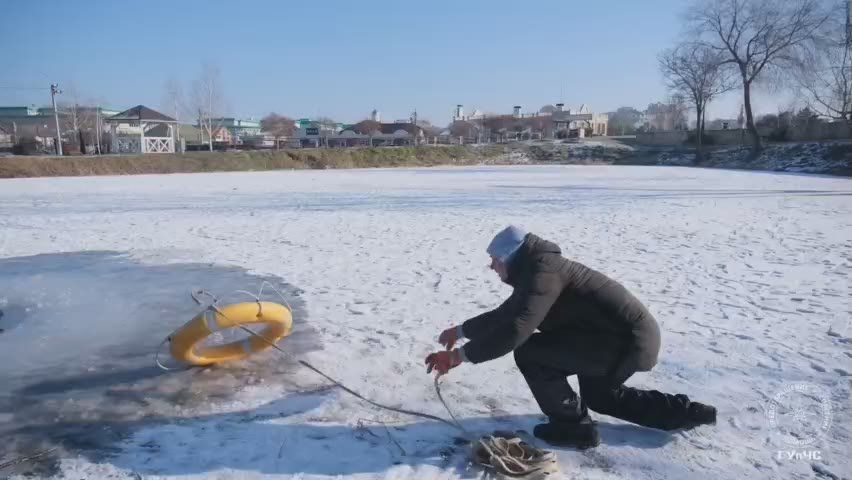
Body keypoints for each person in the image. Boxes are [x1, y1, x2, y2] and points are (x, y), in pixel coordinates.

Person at [425, 225, 716, 448]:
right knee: (601, 397)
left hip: (626, 342)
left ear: (510, 258)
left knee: (530, 352)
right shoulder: (537, 271)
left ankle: (573, 428)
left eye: (494, 260)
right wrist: (460, 331)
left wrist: (457, 357)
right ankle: (689, 414)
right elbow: (507, 313)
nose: (491, 266)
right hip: (612, 339)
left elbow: (516, 329)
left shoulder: (543, 275)